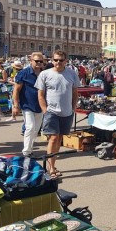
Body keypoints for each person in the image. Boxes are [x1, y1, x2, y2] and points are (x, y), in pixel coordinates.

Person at [36, 50, 80, 179]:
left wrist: (73, 108)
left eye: (61, 60)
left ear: (66, 61)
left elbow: (75, 92)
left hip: (67, 112)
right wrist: (45, 110)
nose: (58, 62)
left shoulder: (72, 74)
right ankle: (50, 169)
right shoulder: (45, 74)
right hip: (52, 112)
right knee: (53, 138)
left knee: (59, 139)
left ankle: (53, 165)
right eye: (55, 60)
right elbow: (40, 95)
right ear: (52, 60)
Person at [13, 52, 45, 156]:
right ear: (31, 61)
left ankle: (30, 149)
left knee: (36, 130)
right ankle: (26, 152)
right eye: (36, 61)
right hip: (27, 105)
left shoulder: (44, 73)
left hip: (40, 105)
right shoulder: (24, 73)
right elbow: (16, 90)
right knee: (30, 127)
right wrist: (16, 105)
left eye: (41, 61)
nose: (39, 63)